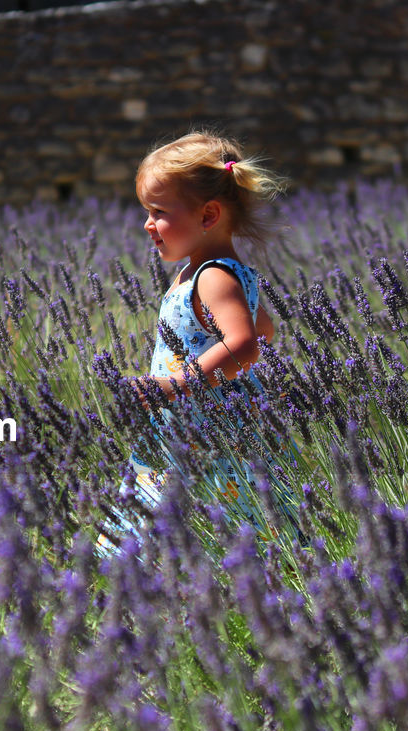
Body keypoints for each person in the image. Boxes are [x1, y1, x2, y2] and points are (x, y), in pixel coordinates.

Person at [95, 131, 301, 559]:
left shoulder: (213, 276)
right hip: (199, 421)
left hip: (200, 421)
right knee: (205, 510)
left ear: (208, 215)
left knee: (190, 512)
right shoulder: (208, 273)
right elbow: (263, 330)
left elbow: (245, 343)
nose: (147, 224)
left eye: (158, 211)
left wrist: (176, 386)